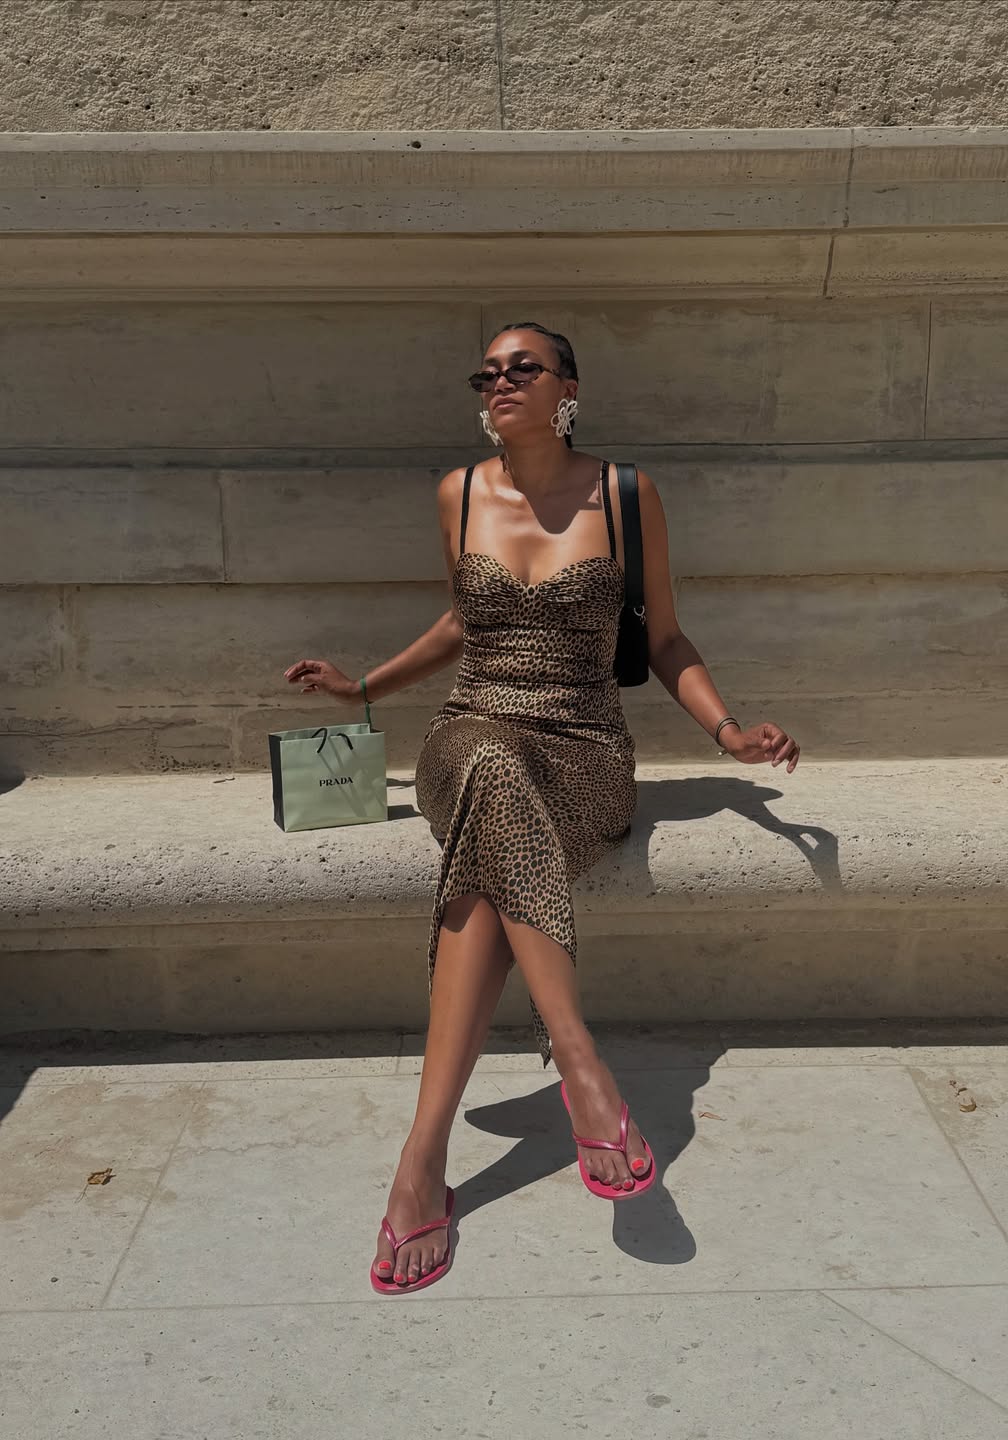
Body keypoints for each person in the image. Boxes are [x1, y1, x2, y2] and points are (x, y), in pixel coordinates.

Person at [283, 322, 800, 1294]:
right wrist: (363, 690)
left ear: (570, 387)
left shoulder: (627, 494)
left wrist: (729, 733)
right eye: (488, 372)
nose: (501, 381)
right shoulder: (459, 492)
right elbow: (460, 620)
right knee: (489, 766)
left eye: (524, 366)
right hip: (469, 731)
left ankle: (421, 1163)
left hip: (585, 749)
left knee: (485, 868)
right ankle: (579, 1061)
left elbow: (666, 639)